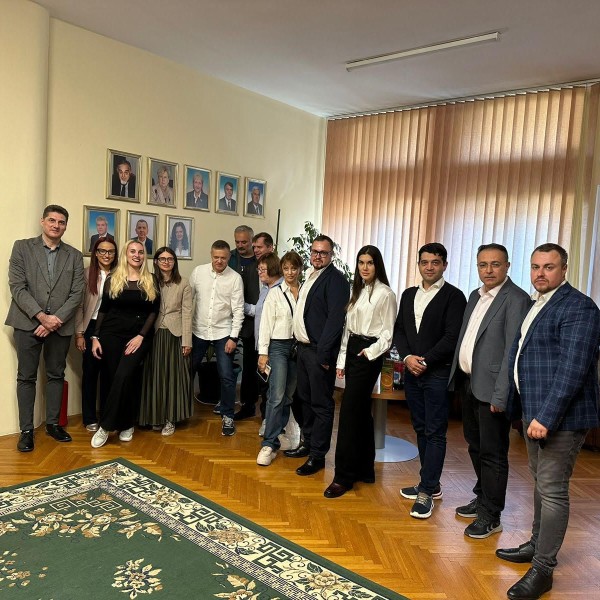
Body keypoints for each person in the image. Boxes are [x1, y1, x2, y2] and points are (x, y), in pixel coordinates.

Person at [497, 243, 600, 600]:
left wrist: (546, 416)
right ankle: (536, 544)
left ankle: (543, 569)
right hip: (534, 412)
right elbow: (524, 355)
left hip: (560, 418)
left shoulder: (580, 307)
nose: (540, 273)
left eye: (549, 267)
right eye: (535, 267)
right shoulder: (538, 303)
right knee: (541, 485)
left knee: (553, 490)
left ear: (564, 269)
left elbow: (573, 369)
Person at [449, 244, 531, 537]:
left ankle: (492, 515)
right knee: (475, 446)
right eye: (483, 264)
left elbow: (512, 351)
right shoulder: (476, 296)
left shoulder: (516, 299)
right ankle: (483, 497)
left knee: (493, 453)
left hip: (493, 390)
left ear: (507, 266)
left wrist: (502, 394)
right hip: (470, 384)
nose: (489, 270)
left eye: (495, 264)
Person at [393, 242, 466, 519]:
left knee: (435, 432)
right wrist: (407, 357)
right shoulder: (408, 294)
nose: (430, 267)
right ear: (419, 265)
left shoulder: (454, 296)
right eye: (425, 262)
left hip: (436, 373)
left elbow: (451, 337)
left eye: (435, 262)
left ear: (444, 265)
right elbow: (400, 330)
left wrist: (425, 361)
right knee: (421, 428)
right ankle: (430, 483)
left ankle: (426, 491)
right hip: (411, 372)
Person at [6, 204, 84, 452]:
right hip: (27, 323)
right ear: (43, 221)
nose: (56, 225)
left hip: (60, 326)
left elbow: (77, 293)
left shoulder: (74, 255)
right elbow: (17, 287)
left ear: (65, 226)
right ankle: (26, 431)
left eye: (61, 222)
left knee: (56, 375)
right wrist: (41, 317)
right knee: (26, 377)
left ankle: (53, 424)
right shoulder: (22, 247)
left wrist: (54, 320)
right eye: (52, 220)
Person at [324, 246, 397, 498]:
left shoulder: (386, 294)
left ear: (378, 266)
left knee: (348, 413)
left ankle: (343, 477)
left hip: (369, 354)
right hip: (353, 349)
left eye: (370, 263)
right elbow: (348, 331)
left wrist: (369, 352)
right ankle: (366, 469)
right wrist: (341, 361)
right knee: (361, 412)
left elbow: (388, 334)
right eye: (361, 262)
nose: (365, 267)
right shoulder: (357, 291)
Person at [285, 234, 349, 476]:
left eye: (323, 252)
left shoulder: (336, 281)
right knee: (303, 399)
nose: (318, 256)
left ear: (331, 255)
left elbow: (335, 320)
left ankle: (318, 456)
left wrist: (323, 355)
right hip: (303, 350)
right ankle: (308, 442)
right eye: (315, 251)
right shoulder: (311, 276)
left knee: (321, 404)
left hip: (318, 352)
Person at [90, 240, 160, 448]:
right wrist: (95, 337)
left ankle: (105, 427)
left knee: (124, 375)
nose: (137, 255)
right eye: (132, 251)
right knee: (115, 378)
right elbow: (104, 309)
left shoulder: (151, 279)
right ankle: (126, 424)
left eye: (140, 252)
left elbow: (154, 311)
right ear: (125, 254)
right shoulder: (113, 278)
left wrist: (141, 336)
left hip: (138, 336)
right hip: (111, 334)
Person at [190, 240, 244, 436]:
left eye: (223, 258)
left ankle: (227, 415)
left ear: (229, 257)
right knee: (187, 370)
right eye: (216, 257)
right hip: (198, 330)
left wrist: (233, 337)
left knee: (227, 375)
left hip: (223, 332)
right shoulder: (198, 272)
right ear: (211, 255)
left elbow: (238, 310)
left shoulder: (235, 278)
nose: (219, 261)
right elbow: (188, 300)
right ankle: (180, 409)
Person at [139, 247, 193, 436]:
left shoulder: (183, 283)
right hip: (152, 334)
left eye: (170, 259)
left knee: (172, 378)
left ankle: (170, 419)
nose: (166, 262)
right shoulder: (148, 281)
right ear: (156, 261)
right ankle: (155, 417)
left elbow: (187, 313)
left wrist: (187, 341)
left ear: (174, 262)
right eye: (162, 258)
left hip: (174, 335)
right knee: (154, 376)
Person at [255, 252, 301, 465]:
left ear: (300, 269)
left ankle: (278, 433)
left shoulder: (305, 291)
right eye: (286, 268)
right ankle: (268, 444)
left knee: (289, 396)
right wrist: (263, 353)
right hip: (278, 347)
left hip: (298, 347)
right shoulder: (275, 293)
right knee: (276, 395)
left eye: (294, 268)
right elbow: (265, 324)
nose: (290, 273)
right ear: (281, 270)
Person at [75, 237, 119, 432]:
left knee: (110, 374)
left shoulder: (121, 274)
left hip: (112, 329)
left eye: (110, 251)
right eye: (102, 251)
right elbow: (79, 305)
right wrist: (79, 333)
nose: (106, 255)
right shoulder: (87, 274)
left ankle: (107, 417)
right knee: (90, 374)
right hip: (91, 326)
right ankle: (90, 417)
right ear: (96, 253)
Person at [233, 230, 275, 421]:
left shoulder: (281, 272)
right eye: (255, 246)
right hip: (252, 330)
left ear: (270, 247)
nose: (255, 250)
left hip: (274, 333)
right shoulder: (250, 269)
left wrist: (251, 309)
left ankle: (268, 414)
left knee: (269, 374)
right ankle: (247, 406)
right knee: (249, 371)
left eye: (260, 247)